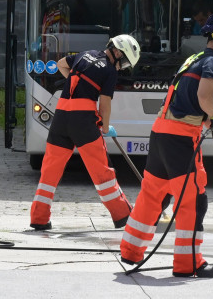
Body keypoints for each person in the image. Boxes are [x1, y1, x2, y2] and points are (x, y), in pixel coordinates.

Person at [120, 13, 213, 278]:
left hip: (161, 133)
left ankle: (130, 250)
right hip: (180, 138)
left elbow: (188, 98)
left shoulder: (194, 59)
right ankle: (189, 263)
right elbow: (204, 97)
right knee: (192, 201)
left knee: (153, 195)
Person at [29, 34, 141, 230]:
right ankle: (122, 214)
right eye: (123, 62)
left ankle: (39, 218)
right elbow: (104, 104)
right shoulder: (109, 70)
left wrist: (81, 85)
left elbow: (61, 64)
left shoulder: (85, 54)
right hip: (83, 121)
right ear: (117, 52)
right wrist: (105, 128)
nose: (121, 67)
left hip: (61, 116)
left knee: (50, 171)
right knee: (101, 170)